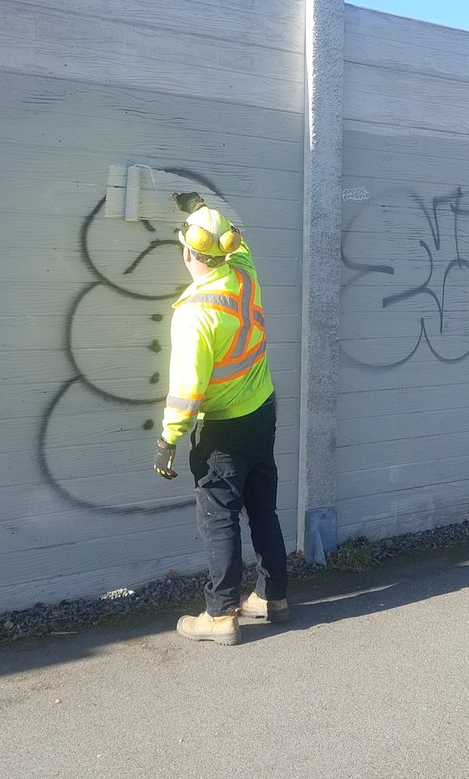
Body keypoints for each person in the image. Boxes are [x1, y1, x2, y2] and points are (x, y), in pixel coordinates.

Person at [153, 192, 289, 645]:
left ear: (186, 252)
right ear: (226, 249)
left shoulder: (195, 314)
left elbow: (187, 391)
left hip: (225, 427)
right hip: (261, 412)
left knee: (219, 515)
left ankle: (221, 613)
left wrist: (168, 440)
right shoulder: (245, 276)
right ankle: (272, 596)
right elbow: (242, 243)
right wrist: (200, 208)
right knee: (261, 506)